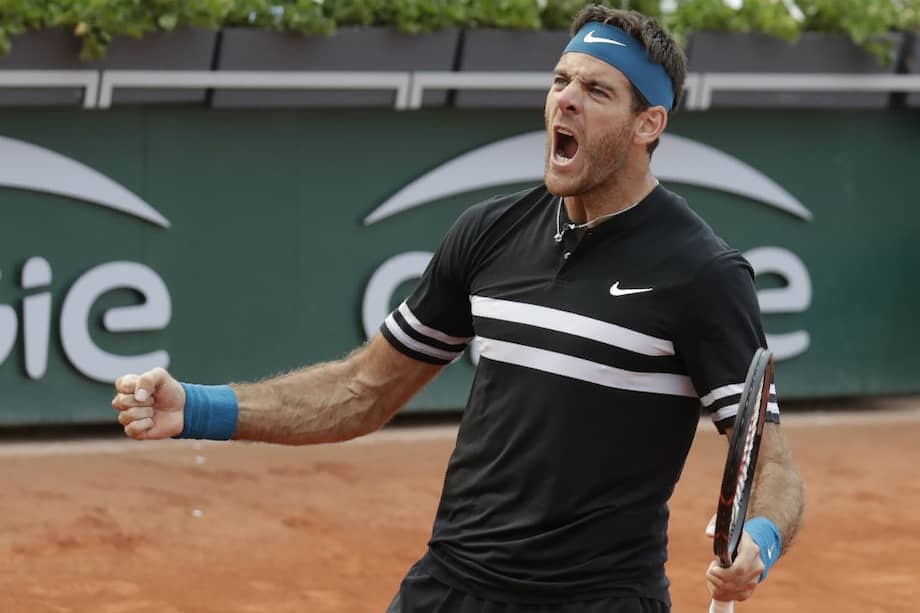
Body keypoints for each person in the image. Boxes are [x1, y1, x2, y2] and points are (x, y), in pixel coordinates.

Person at [112, 5, 804, 613]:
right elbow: (364, 390)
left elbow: (771, 464)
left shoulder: (701, 273)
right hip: (452, 584)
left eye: (597, 91)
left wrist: (761, 538)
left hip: (599, 597)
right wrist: (195, 408)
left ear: (647, 124)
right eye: (561, 80)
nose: (566, 100)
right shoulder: (489, 233)